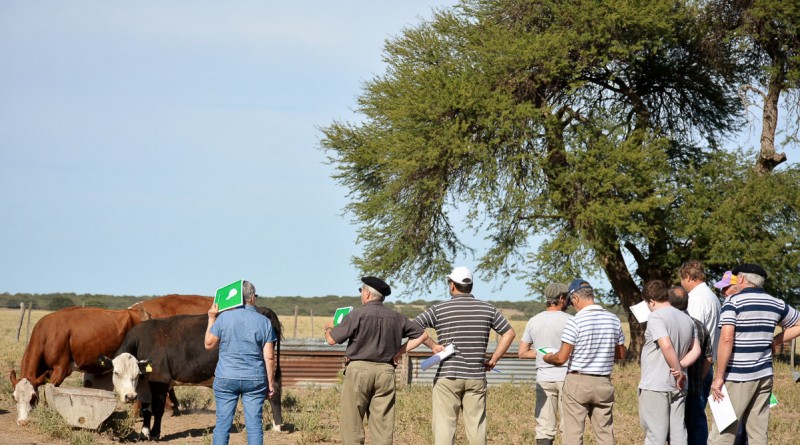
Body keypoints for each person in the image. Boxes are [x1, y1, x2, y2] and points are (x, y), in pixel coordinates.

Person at [413, 266, 516, 445]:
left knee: (445, 427)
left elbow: (414, 327)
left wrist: (433, 345)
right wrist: (494, 359)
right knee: (476, 427)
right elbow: (509, 333)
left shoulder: (439, 309)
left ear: (452, 285)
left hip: (448, 375)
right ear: (471, 286)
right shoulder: (488, 309)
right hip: (476, 375)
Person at [324, 276, 428, 445]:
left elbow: (331, 340)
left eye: (361, 291)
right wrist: (399, 353)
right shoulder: (397, 317)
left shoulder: (356, 315)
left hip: (358, 371)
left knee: (352, 422)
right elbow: (422, 335)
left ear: (366, 294)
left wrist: (328, 328)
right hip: (386, 372)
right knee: (383, 425)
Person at [710, 264, 800, 445]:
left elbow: (726, 339)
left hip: (737, 375)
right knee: (758, 432)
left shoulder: (733, 302)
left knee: (723, 432)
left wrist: (719, 377)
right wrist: (775, 341)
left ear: (742, 279)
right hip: (764, 374)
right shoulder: (776, 303)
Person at [542, 279, 626, 445]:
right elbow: (621, 354)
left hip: (578, 382)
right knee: (605, 433)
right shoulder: (613, 319)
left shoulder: (575, 321)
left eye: (571, 301)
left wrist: (548, 357)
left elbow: (561, 358)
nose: (572, 305)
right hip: (603, 382)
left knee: (573, 433)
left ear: (576, 298)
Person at [205, 280, 277, 445]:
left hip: (226, 377)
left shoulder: (224, 318)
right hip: (254, 380)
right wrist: (270, 384)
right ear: (252, 297)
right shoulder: (264, 322)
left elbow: (208, 344)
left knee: (222, 425)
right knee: (254, 426)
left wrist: (211, 318)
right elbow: (269, 358)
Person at [637, 280, 700, 445]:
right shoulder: (687, 319)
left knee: (655, 434)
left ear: (651, 301)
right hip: (680, 385)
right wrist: (681, 368)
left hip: (656, 385)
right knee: (678, 433)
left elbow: (666, 345)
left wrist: (677, 370)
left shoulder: (656, 316)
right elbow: (696, 350)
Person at [518, 283, 572, 445]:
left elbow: (522, 352)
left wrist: (543, 353)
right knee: (570, 426)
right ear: (561, 298)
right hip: (567, 377)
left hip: (544, 378)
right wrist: (559, 354)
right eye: (567, 297)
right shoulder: (571, 321)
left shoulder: (534, 321)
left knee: (544, 426)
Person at [669, 285, 713, 445]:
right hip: (694, 386)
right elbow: (708, 357)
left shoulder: (666, 325)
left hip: (671, 386)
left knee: (674, 428)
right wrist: (699, 378)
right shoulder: (699, 325)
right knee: (697, 426)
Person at [678, 260, 722, 420]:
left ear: (688, 277)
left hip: (697, 365)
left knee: (692, 417)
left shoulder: (696, 299)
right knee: (696, 414)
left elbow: (691, 331)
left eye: (682, 279)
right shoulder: (712, 296)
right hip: (707, 361)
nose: (681, 284)